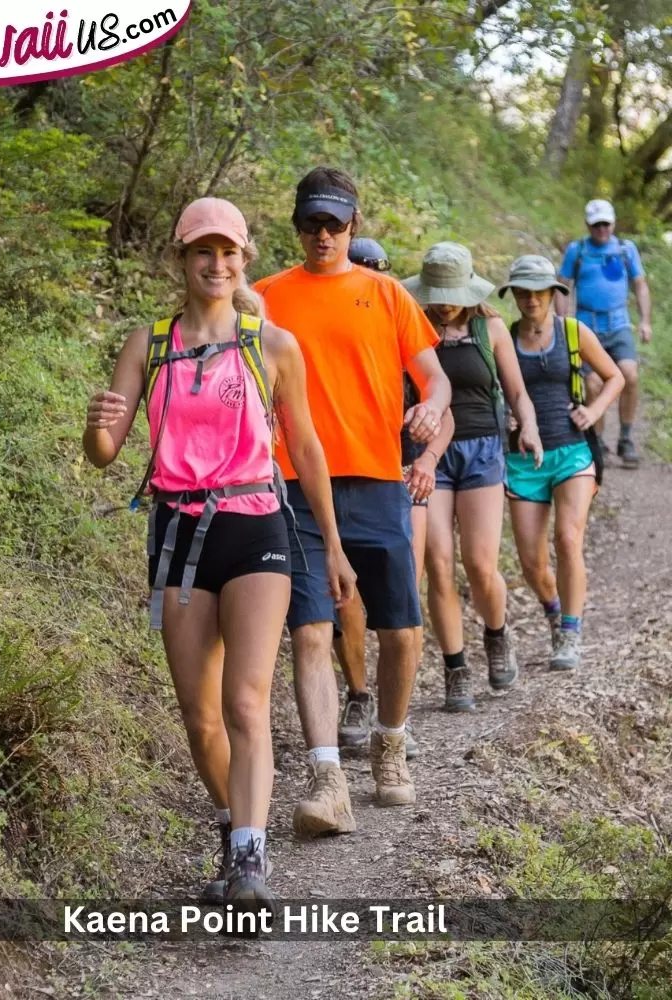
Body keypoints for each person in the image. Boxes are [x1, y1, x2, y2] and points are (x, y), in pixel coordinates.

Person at [83, 197, 355, 904]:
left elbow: (304, 448)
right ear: (181, 258)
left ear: (244, 259)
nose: (217, 264)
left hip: (257, 524)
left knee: (245, 700)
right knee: (199, 714)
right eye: (203, 252)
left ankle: (249, 862)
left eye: (228, 252)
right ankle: (237, 827)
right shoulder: (151, 342)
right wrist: (97, 426)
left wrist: (331, 545)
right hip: (177, 533)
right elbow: (105, 454)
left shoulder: (272, 344)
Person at [254, 167, 452, 833]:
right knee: (311, 628)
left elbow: (435, 379)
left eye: (335, 223)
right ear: (296, 225)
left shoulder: (387, 294)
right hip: (290, 487)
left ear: (354, 225)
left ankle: (389, 744)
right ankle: (325, 777)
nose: (323, 235)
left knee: (399, 630)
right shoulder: (262, 298)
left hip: (375, 479)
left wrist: (430, 412)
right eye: (311, 222)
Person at [404, 243, 542, 713]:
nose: (443, 302)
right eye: (436, 293)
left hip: (482, 449)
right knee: (439, 561)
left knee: (480, 564)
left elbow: (518, 392)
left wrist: (531, 428)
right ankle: (456, 668)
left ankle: (497, 633)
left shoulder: (490, 328)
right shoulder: (413, 325)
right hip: (428, 452)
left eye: (451, 293)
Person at [335, 237, 455, 756]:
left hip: (401, 475)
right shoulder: (333, 335)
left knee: (401, 596)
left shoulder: (398, 329)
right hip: (341, 476)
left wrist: (426, 462)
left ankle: (392, 717)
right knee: (346, 599)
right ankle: (359, 694)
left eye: (378, 273)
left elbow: (442, 411)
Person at [501, 255, 624, 670]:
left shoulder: (573, 332)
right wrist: (508, 413)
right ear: (513, 294)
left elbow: (615, 377)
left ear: (554, 294)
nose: (530, 298)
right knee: (532, 563)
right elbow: (492, 389)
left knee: (568, 539)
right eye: (522, 291)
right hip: (523, 459)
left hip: (573, 450)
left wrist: (594, 411)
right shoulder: (505, 337)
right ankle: (554, 612)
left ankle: (571, 632)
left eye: (538, 290)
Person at [557, 199, 652, 468]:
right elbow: (562, 286)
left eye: (606, 224)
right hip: (587, 326)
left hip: (619, 324)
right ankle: (597, 440)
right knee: (593, 384)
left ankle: (625, 437)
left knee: (630, 374)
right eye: (597, 224)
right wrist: (562, 323)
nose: (602, 229)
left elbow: (641, 286)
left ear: (613, 223)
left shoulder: (625, 249)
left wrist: (645, 321)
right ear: (588, 225)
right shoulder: (577, 251)